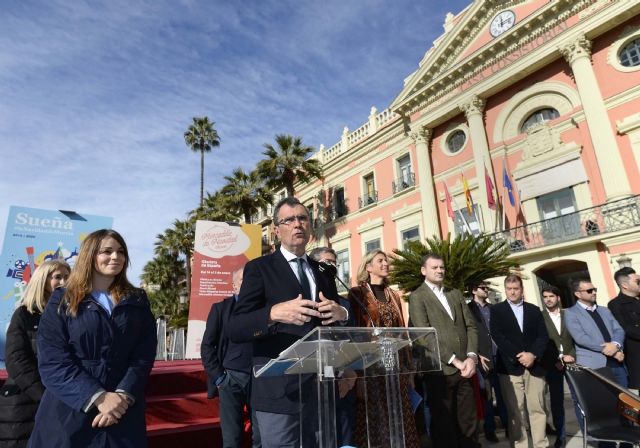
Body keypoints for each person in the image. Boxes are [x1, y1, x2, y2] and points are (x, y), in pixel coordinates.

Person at [227, 197, 347, 448]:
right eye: (289, 220)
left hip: (320, 389)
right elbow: (236, 327)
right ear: (276, 230)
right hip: (278, 392)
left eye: (303, 218)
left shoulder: (323, 271)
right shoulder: (259, 269)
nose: (297, 224)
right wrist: (272, 314)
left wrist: (341, 314)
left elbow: (334, 320)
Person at [28, 229, 157, 448]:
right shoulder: (63, 298)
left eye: (120, 251)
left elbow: (144, 355)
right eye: (107, 251)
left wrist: (121, 397)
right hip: (69, 410)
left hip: (122, 412)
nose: (116, 257)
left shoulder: (137, 299)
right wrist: (98, 397)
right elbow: (53, 360)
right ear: (90, 255)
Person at [348, 250, 421, 448]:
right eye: (380, 261)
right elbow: (356, 333)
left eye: (386, 260)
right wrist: (359, 374)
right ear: (368, 267)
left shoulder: (394, 295)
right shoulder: (357, 294)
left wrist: (409, 371)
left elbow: (403, 331)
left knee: (400, 414)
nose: (385, 263)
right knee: (375, 417)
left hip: (395, 365)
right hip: (371, 366)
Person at [409, 253, 479, 448]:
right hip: (439, 371)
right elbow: (424, 336)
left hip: (465, 369)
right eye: (435, 267)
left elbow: (471, 326)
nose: (440, 270)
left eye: (442, 267)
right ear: (424, 271)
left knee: (468, 423)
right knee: (444, 426)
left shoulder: (455, 293)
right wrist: (455, 360)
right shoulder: (417, 297)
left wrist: (471, 357)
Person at [0, 260, 70, 448]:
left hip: (62, 403)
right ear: (42, 280)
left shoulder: (73, 315)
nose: (64, 282)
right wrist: (44, 395)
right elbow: (16, 359)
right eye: (57, 277)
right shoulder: (24, 314)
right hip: (24, 405)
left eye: (67, 277)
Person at [201, 267, 261, 448]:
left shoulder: (265, 308)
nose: (248, 282)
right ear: (234, 286)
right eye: (243, 279)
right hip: (231, 379)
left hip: (260, 378)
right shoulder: (220, 309)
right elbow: (207, 346)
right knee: (232, 438)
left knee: (261, 437)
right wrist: (220, 378)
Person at [489, 275, 549, 448]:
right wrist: (519, 355)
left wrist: (533, 355)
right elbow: (497, 336)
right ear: (505, 290)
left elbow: (542, 336)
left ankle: (540, 445)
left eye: (516, 288)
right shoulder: (497, 310)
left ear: (522, 289)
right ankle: (520, 445)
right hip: (509, 367)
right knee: (516, 411)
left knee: (538, 408)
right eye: (509, 289)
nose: (512, 292)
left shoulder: (534, 310)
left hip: (534, 366)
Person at [308, 246, 355, 448]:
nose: (333, 267)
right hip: (312, 381)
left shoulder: (345, 303)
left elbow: (352, 338)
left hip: (342, 378)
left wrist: (347, 371)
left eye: (335, 263)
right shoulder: (305, 301)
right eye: (327, 263)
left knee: (345, 436)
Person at [564, 278, 627, 387]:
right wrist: (611, 350)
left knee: (626, 400)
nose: (594, 292)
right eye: (589, 291)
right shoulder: (571, 313)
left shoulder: (604, 310)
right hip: (595, 365)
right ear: (578, 294)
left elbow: (619, 329)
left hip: (617, 363)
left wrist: (616, 345)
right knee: (604, 401)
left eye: (594, 289)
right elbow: (581, 338)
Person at [467, 281, 507, 444]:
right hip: (483, 359)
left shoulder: (493, 308)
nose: (487, 290)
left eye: (487, 287)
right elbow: (467, 333)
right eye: (483, 288)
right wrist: (476, 354)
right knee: (488, 397)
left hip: (501, 357)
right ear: (474, 291)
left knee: (504, 394)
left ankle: (508, 427)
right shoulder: (469, 310)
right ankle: (489, 430)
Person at [540, 286, 575, 448]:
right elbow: (541, 342)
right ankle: (560, 436)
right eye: (545, 296)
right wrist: (557, 358)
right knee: (556, 402)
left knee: (579, 398)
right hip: (552, 365)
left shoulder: (569, 315)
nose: (548, 299)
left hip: (572, 362)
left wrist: (572, 355)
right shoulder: (540, 317)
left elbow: (576, 338)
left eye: (551, 296)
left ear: (558, 298)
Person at [608, 267, 640, 392]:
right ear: (625, 285)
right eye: (637, 281)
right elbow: (625, 328)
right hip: (636, 358)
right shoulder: (615, 304)